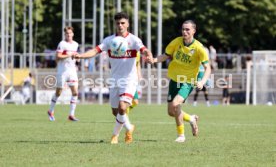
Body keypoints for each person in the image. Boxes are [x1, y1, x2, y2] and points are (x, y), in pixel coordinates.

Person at [74, 12, 153, 144]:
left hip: (129, 79)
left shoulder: (134, 40)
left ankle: (114, 136)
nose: (120, 25)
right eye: (118, 23)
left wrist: (149, 55)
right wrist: (81, 56)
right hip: (114, 79)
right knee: (115, 111)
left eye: (123, 23)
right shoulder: (109, 40)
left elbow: (144, 49)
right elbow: (94, 51)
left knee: (123, 107)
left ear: (127, 24)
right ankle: (129, 127)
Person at [151, 20, 211, 143]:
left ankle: (181, 135)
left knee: (175, 104)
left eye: (188, 29)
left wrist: (202, 81)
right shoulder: (176, 42)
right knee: (170, 112)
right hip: (174, 79)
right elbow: (165, 55)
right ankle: (191, 118)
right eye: (183, 29)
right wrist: (153, 60)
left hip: (187, 81)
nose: (185, 31)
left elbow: (208, 68)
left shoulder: (199, 48)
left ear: (194, 31)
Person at [47, 26, 80, 122]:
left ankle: (71, 114)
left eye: (70, 33)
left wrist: (77, 58)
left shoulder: (76, 44)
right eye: (67, 33)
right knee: (58, 92)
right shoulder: (62, 44)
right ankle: (51, 110)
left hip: (72, 71)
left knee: (75, 92)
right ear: (65, 34)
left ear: (73, 34)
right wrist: (69, 55)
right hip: (62, 71)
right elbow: (57, 57)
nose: (68, 35)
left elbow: (75, 58)